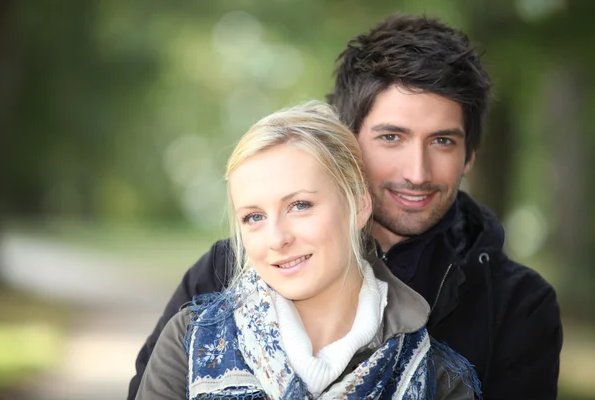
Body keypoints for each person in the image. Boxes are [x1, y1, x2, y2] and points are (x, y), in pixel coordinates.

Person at [128, 14, 562, 400]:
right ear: (346, 142)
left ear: (470, 155)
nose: (417, 171)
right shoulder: (226, 270)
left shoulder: (517, 306)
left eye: (443, 141)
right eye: (391, 137)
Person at [135, 102, 479, 399]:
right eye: (254, 217)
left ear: (358, 206)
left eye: (299, 205)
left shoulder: (438, 377)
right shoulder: (191, 341)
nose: (277, 238)